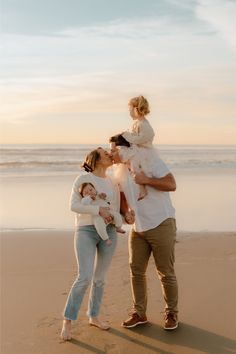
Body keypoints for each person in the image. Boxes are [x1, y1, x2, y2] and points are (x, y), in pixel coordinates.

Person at [61, 147, 134, 341]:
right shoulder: (82, 179)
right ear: (94, 159)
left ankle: (94, 316)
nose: (109, 155)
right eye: (104, 153)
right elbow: (73, 206)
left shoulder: (113, 182)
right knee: (84, 276)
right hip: (86, 231)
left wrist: (126, 216)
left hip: (109, 231)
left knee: (100, 278)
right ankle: (68, 320)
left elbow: (115, 208)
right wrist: (97, 211)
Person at [111, 145, 179, 331]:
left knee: (165, 272)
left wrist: (146, 180)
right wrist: (126, 214)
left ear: (126, 149)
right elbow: (123, 200)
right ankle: (139, 314)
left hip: (161, 222)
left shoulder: (149, 161)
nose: (111, 154)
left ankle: (172, 313)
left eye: (114, 150)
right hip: (138, 228)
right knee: (136, 271)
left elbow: (171, 184)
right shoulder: (119, 173)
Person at [110, 95, 156, 201]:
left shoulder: (144, 124)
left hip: (143, 150)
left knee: (135, 168)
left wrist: (127, 136)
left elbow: (143, 138)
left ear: (136, 109)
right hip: (137, 149)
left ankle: (142, 189)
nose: (129, 112)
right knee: (130, 165)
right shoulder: (136, 123)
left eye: (130, 109)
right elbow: (133, 136)